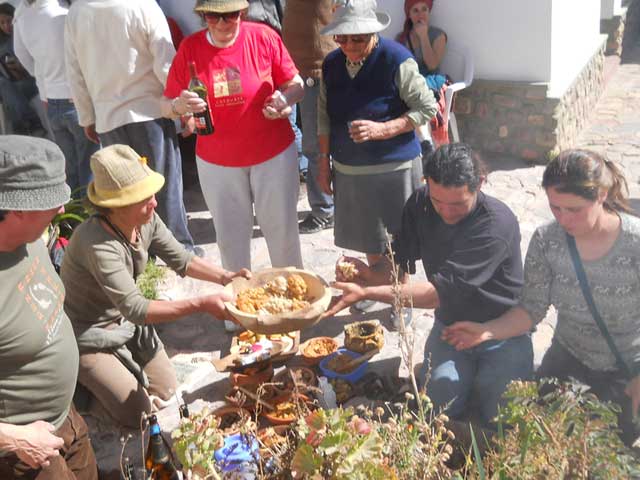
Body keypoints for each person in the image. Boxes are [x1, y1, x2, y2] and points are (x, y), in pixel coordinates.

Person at [442, 149, 640, 445]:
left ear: (600, 195)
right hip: (567, 359)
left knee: (606, 454)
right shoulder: (548, 241)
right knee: (543, 439)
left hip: (626, 369)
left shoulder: (634, 244)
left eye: (573, 209)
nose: (563, 219)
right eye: (555, 208)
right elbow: (531, 309)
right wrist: (487, 331)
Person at [326, 143, 532, 427]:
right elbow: (395, 266)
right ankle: (456, 376)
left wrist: (367, 293)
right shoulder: (421, 203)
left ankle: (476, 377)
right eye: (439, 202)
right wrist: (365, 274)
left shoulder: (496, 225)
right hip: (451, 327)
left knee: (503, 418)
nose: (446, 212)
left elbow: (437, 294)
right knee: (438, 409)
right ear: (427, 184)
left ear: (480, 183)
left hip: (501, 331)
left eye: (458, 204)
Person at [59, 144, 250, 428]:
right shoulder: (97, 243)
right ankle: (83, 388)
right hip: (89, 334)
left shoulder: (143, 219)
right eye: (144, 198)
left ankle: (118, 374)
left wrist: (226, 276)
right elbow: (136, 308)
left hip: (124, 322)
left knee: (168, 391)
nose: (155, 203)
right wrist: (201, 304)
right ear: (116, 206)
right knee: (139, 415)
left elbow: (182, 259)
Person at [163, 0, 305, 316]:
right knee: (231, 237)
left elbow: (296, 85)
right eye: (215, 16)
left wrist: (285, 99)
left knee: (282, 231)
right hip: (217, 162)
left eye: (232, 15)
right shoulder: (190, 48)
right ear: (203, 17)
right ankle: (239, 309)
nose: (224, 23)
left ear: (242, 13)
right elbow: (166, 104)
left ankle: (295, 305)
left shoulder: (263, 37)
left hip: (273, 154)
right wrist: (179, 107)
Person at [318, 0, 437, 312]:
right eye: (342, 39)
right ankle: (378, 291)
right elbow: (322, 117)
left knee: (399, 242)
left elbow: (427, 107)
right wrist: (322, 163)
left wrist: (384, 129)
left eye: (358, 38)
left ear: (373, 33)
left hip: (394, 169)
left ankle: (403, 301)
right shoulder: (331, 64)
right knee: (371, 239)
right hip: (350, 171)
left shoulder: (397, 60)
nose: (349, 46)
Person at [64, 0, 198, 253]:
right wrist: (181, 107)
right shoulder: (142, 5)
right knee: (165, 182)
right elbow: (166, 63)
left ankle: (140, 250)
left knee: (127, 191)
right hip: (151, 111)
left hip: (108, 117)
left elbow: (74, 70)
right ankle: (179, 248)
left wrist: (87, 117)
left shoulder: (77, 12)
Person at [0, 136, 98, 479]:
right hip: (26, 452)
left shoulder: (29, 239)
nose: (61, 209)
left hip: (64, 418)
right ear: (17, 209)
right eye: (50, 201)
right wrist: (16, 438)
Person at [13, 0, 99, 194]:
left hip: (51, 101)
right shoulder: (66, 11)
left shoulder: (22, 16)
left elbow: (23, 56)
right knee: (90, 167)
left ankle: (73, 219)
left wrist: (45, 84)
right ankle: (90, 219)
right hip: (77, 99)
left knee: (70, 168)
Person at [282, 0, 337, 233]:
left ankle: (324, 211)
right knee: (297, 135)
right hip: (294, 67)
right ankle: (325, 206)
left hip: (315, 67)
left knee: (316, 144)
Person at [397, 0, 448, 151]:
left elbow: (432, 64)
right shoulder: (402, 38)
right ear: (409, 15)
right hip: (409, 81)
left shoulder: (438, 35)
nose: (421, 14)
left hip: (431, 80)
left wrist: (424, 36)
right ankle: (424, 142)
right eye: (415, 10)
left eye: (424, 9)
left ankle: (425, 142)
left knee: (418, 98)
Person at [0, 2, 41, 135]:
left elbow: (34, 67)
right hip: (14, 84)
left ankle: (22, 128)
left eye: (8, 21)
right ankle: (30, 123)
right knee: (5, 87)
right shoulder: (3, 44)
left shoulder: (24, 33)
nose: (6, 26)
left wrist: (20, 68)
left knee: (7, 92)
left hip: (32, 80)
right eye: (2, 23)